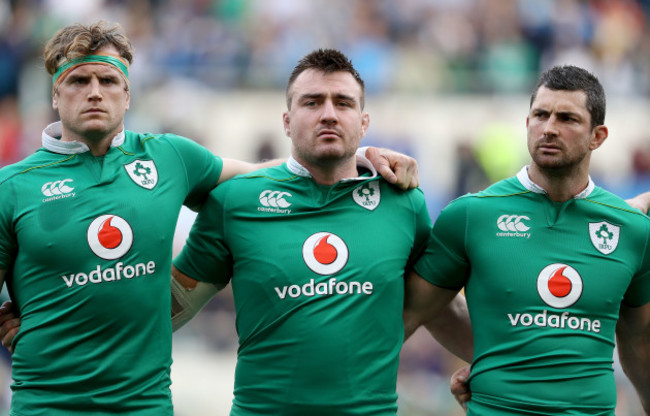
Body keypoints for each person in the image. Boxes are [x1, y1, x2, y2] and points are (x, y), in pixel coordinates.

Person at [0, 21, 419, 416]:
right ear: (55, 95)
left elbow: (265, 177)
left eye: (108, 81)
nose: (95, 93)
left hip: (146, 404)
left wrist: (357, 157)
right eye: (78, 80)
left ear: (127, 95)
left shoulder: (170, 157)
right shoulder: (13, 187)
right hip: (46, 403)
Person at [170, 48, 472, 415]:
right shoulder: (235, 201)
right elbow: (175, 305)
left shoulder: (403, 202)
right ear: (286, 120)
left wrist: (503, 368)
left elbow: (440, 305)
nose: (328, 114)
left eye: (342, 103)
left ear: (363, 122)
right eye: (312, 102)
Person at [404, 65, 650, 415]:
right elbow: (415, 312)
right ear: (527, 123)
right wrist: (496, 359)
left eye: (567, 118)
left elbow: (640, 345)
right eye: (540, 115)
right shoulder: (472, 214)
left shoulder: (632, 230)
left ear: (598, 136)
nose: (549, 128)